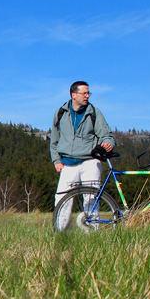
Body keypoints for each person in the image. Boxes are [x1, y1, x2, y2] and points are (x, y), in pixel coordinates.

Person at [49, 81, 115, 229]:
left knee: (91, 199)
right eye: (84, 93)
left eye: (88, 93)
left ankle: (92, 234)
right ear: (74, 95)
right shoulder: (60, 113)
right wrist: (56, 161)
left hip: (90, 162)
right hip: (67, 164)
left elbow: (106, 135)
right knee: (61, 199)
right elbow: (54, 140)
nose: (87, 96)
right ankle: (60, 234)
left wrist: (108, 143)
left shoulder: (94, 112)